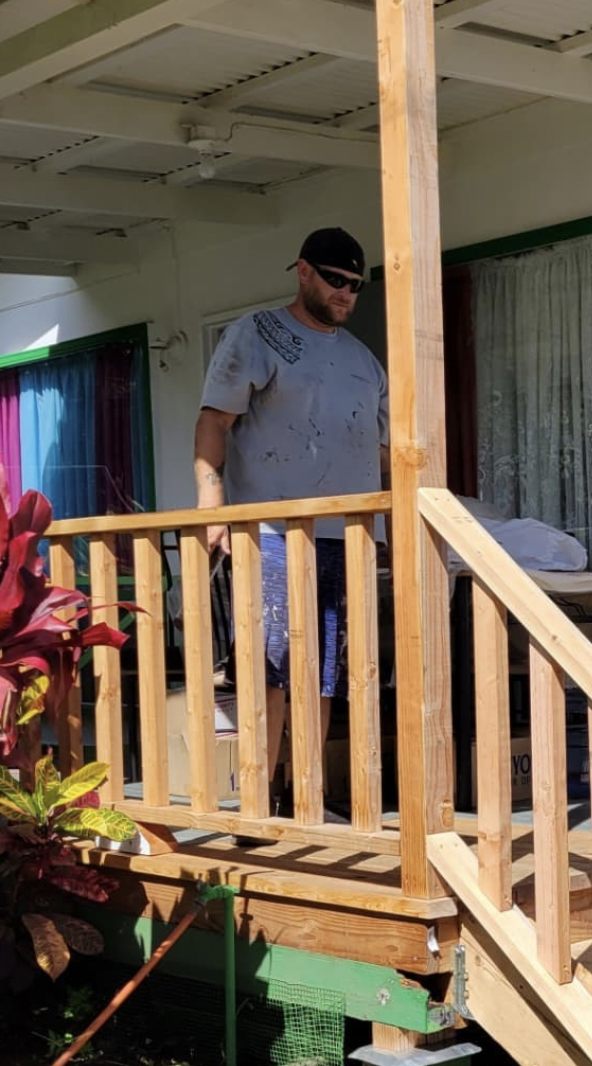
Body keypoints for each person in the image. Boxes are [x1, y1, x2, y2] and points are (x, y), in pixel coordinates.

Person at [194, 228, 390, 811]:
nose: (346, 293)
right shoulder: (256, 334)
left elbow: (383, 452)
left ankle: (306, 795)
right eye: (335, 279)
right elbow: (213, 422)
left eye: (355, 285)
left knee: (325, 670)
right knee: (270, 667)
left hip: (347, 534)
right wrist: (212, 506)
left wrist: (397, 526)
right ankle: (258, 797)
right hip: (274, 533)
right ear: (303, 272)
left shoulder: (362, 360)